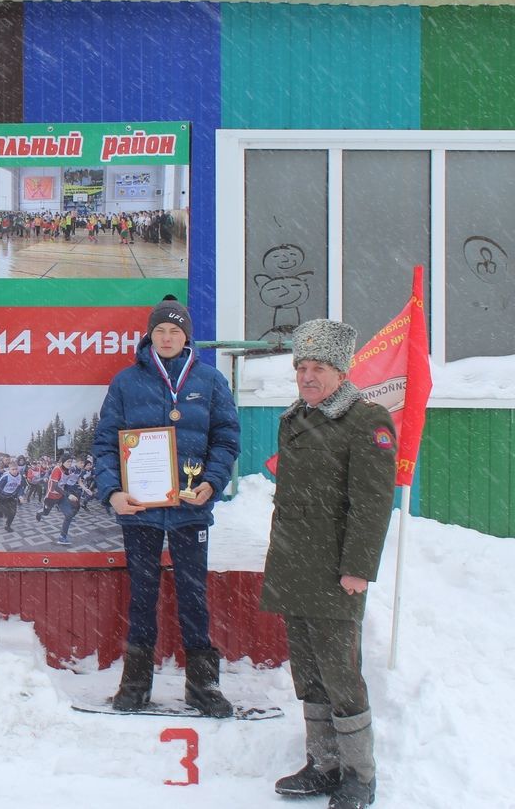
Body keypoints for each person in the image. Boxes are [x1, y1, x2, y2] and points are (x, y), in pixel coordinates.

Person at [263, 319, 396, 809]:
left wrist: (358, 566)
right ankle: (323, 764)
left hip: (337, 571)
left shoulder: (367, 420)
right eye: (302, 367)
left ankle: (359, 775)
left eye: (319, 367)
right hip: (297, 565)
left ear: (341, 372)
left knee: (341, 675)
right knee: (310, 672)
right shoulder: (294, 418)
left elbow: (372, 502)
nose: (308, 376)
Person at [92, 295, 240, 717]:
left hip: (191, 508)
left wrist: (212, 483)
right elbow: (105, 441)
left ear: (186, 336)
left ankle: (203, 685)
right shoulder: (126, 382)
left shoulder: (210, 381)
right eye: (160, 330)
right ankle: (136, 683)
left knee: (194, 596)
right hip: (141, 510)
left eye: (175, 331)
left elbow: (226, 438)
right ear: (150, 335)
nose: (168, 337)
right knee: (142, 595)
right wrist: (113, 493)